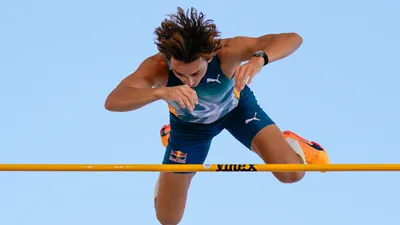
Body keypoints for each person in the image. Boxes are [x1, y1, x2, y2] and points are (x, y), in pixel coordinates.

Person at [105, 6, 329, 225]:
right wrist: (160, 92)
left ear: (208, 56)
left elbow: (293, 38)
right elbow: (113, 100)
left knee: (292, 174)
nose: (190, 82)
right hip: (189, 129)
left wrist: (259, 58)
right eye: (180, 74)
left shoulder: (226, 51)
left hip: (237, 111)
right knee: (168, 219)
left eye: (196, 72)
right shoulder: (156, 66)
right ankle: (170, 143)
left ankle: (292, 143)